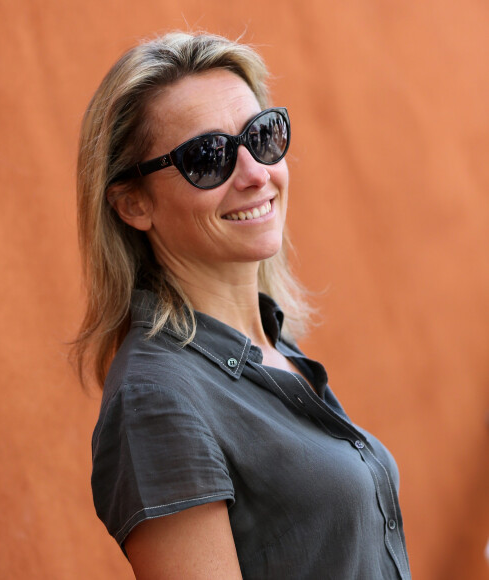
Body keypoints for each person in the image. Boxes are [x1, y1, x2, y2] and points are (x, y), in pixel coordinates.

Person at [73, 31, 411, 579]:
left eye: (263, 136)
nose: (256, 173)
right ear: (133, 204)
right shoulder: (156, 400)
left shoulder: (271, 349)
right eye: (208, 157)